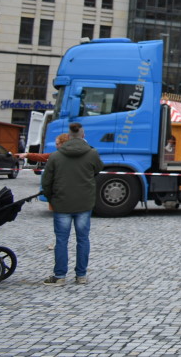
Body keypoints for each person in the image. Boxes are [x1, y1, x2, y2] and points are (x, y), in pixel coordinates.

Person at [40, 122, 103, 285]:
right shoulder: (92, 154)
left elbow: (46, 181)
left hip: (62, 203)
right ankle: (81, 275)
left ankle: (59, 276)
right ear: (83, 136)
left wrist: (51, 198)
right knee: (83, 239)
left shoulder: (55, 156)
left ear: (68, 137)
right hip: (84, 202)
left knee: (61, 240)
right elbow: (97, 170)